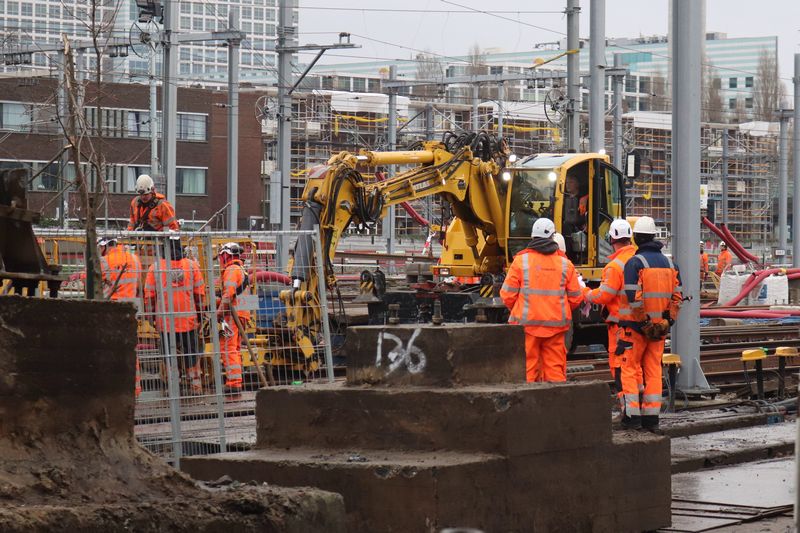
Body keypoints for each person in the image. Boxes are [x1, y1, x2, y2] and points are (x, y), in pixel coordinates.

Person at [617, 216, 682, 431]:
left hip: (635, 329)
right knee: (654, 370)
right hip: (659, 330)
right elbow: (677, 298)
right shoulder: (672, 265)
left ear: (635, 238)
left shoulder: (634, 263)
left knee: (629, 368)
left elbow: (632, 297)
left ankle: (632, 416)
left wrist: (644, 321)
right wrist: (667, 321)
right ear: (654, 237)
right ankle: (651, 418)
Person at [500, 218, 584, 382]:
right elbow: (576, 298)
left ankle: (529, 406)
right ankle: (555, 406)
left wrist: (521, 311)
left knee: (528, 371)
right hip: (556, 327)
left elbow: (507, 295)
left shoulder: (521, 261)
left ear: (532, 237)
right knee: (555, 372)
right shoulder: (565, 264)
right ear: (552, 237)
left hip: (527, 327)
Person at [144, 234, 206, 397]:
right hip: (188, 321)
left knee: (169, 354)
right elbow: (199, 294)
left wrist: (151, 317)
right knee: (191, 353)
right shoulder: (192, 266)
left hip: (165, 323)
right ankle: (196, 386)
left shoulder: (155, 268)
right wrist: (200, 315)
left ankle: (174, 388)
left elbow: (149, 296)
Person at [581, 219, 636, 391]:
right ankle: (641, 407)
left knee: (621, 368)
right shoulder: (639, 259)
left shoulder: (615, 266)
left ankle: (628, 409)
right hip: (641, 324)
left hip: (620, 327)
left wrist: (586, 294)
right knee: (637, 368)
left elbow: (604, 295)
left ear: (611, 239)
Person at [217, 242, 251, 396]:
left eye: (220, 256)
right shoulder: (242, 270)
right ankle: (236, 381)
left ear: (226, 255)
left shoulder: (231, 270)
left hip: (231, 317)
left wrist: (218, 313)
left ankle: (233, 383)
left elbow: (228, 295)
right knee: (235, 348)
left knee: (227, 347)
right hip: (242, 315)